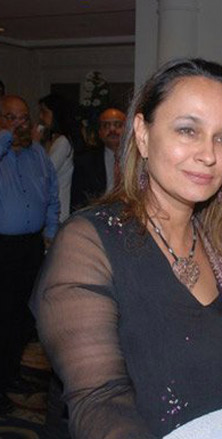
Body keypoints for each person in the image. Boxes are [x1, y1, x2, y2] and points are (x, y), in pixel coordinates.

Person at [31, 58, 222, 438]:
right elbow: (99, 401)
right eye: (187, 130)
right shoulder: (88, 244)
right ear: (142, 133)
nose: (209, 155)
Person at [0, 95, 60, 414]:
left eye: (24, 118)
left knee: (24, 317)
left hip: (32, 247)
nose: (20, 124)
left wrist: (51, 230)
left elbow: (51, 194)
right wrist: (6, 137)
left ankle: (11, 375)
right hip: (3, 249)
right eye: (11, 118)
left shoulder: (37, 154)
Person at [71, 108, 126, 210]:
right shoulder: (85, 162)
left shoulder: (140, 159)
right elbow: (78, 202)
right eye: (106, 126)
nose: (112, 130)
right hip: (97, 215)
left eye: (118, 125)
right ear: (100, 132)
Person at [38, 94, 81, 222]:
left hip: (59, 210)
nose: (41, 117)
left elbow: (44, 172)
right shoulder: (53, 139)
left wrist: (35, 143)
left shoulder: (63, 142)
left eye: (44, 112)